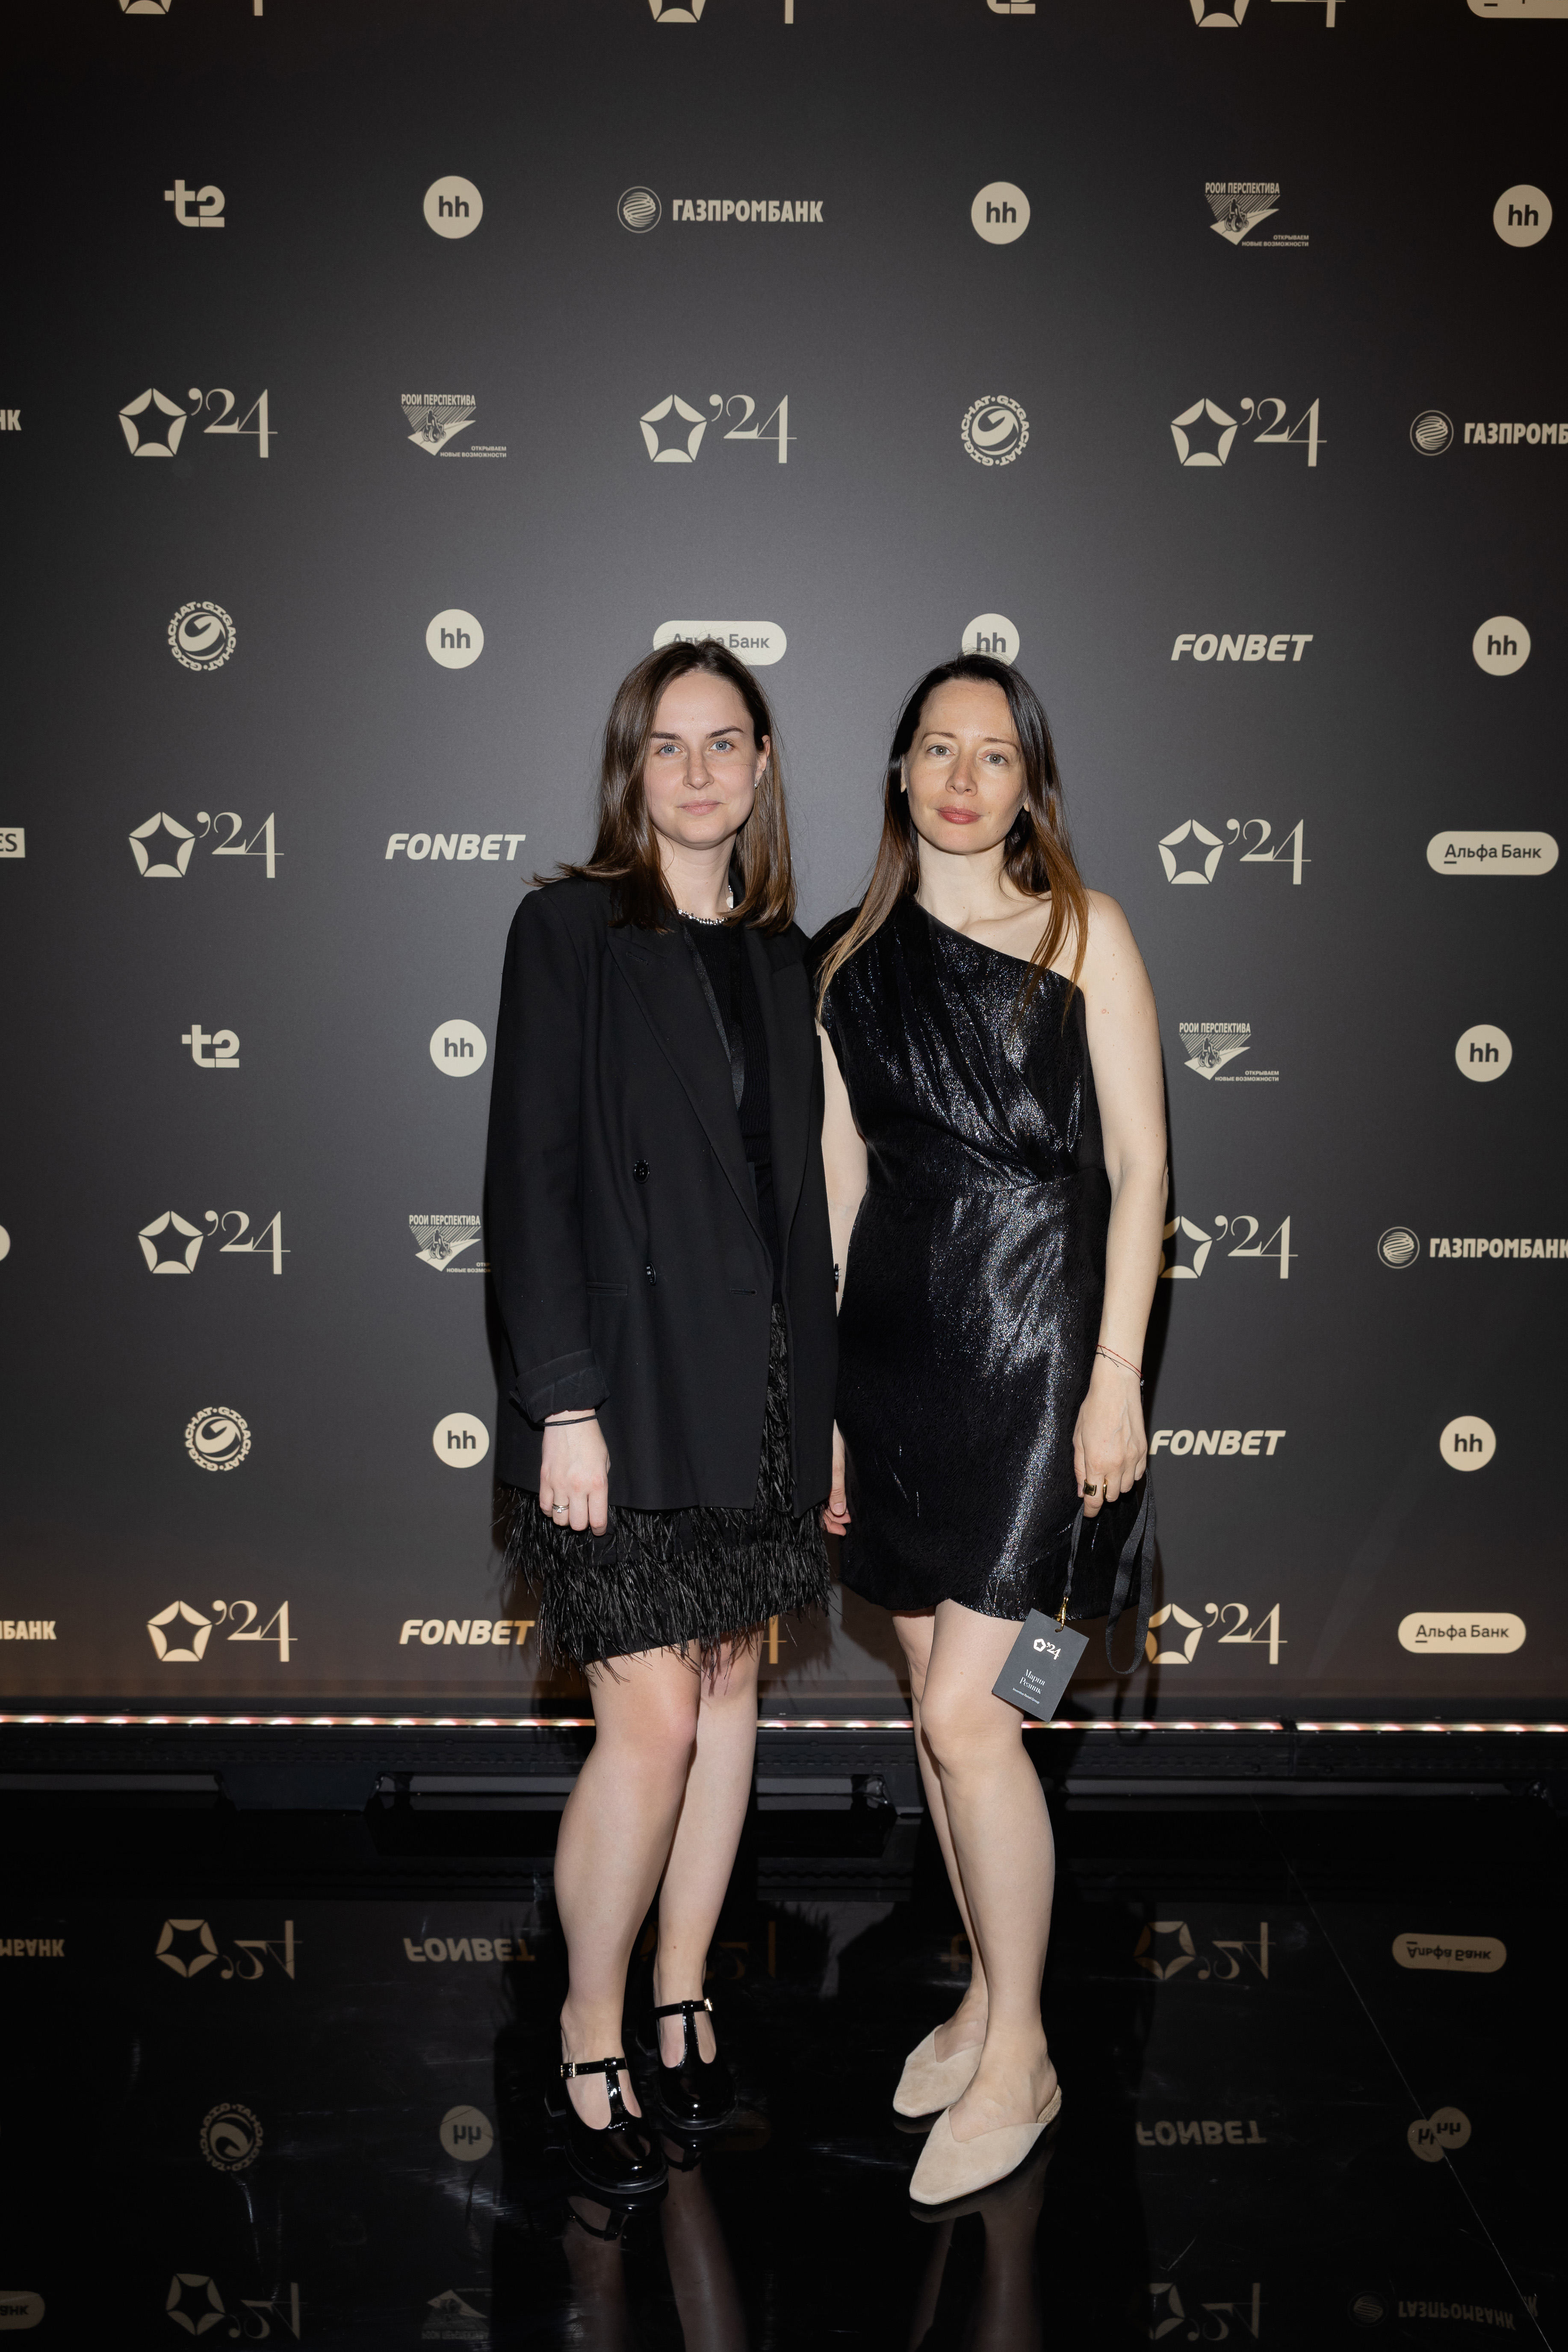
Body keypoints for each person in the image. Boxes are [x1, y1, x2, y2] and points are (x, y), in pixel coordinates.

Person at [485, 639, 836, 2200]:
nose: (699, 772)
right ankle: (588, 2029)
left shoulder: (782, 959)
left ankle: (684, 1997)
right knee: (654, 1723)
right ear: (632, 769)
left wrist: (818, 1420)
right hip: (622, 1392)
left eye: (725, 742)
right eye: (668, 745)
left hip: (753, 1393)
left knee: (731, 1697)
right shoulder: (568, 930)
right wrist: (561, 1400)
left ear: (761, 766)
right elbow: (530, 1179)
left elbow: (800, 1213)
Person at [813, 653, 1166, 2205]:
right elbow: (840, 1194)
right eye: (937, 749)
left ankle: (1022, 2048)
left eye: (994, 754)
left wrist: (1116, 1372)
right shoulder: (843, 959)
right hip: (897, 1371)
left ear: (1029, 784)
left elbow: (1141, 1174)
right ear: (899, 770)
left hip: (1041, 1373)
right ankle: (981, 1996)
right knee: (932, 1716)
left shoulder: (1086, 930)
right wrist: (830, 1412)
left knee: (979, 1718)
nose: (963, 779)